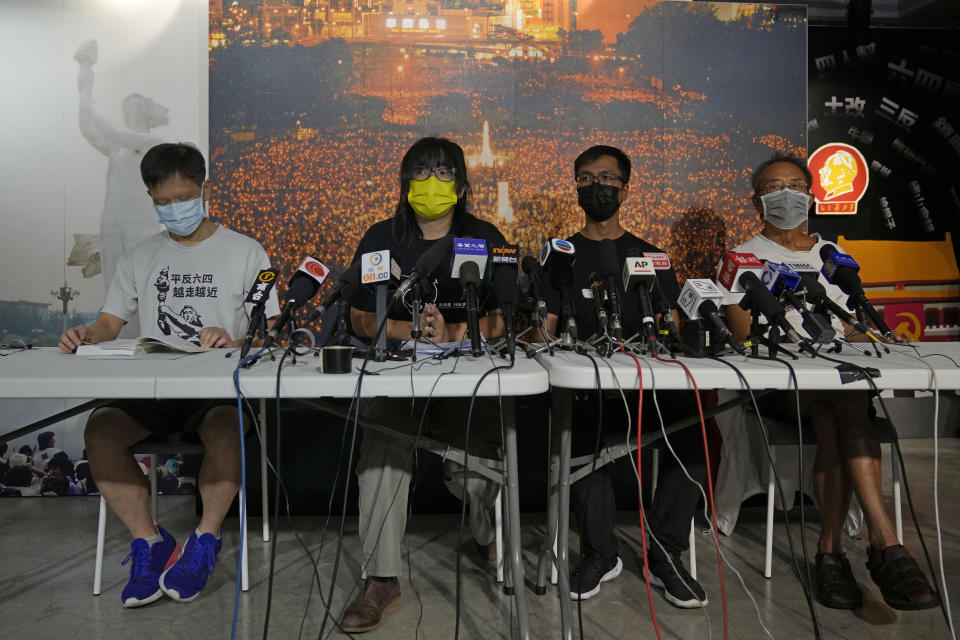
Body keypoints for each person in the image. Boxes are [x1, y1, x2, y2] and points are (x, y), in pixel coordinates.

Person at [59, 142, 279, 608]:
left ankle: (203, 541)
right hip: (154, 389)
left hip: (219, 391)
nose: (175, 209)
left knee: (223, 428)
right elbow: (109, 323)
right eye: (163, 202)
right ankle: (150, 541)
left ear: (203, 189)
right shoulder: (140, 256)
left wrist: (235, 340)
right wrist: (87, 334)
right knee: (100, 430)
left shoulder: (247, 251)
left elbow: (272, 333)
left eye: (183, 198)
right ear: (150, 197)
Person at [721, 152, 939, 611]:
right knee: (840, 406)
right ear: (757, 201)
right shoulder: (744, 257)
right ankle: (886, 543)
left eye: (796, 186)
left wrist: (877, 333)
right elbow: (743, 335)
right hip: (779, 385)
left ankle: (831, 550)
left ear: (812, 196)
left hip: (833, 386)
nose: (787, 195)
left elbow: (851, 323)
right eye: (774, 187)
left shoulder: (830, 255)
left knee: (833, 411)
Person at [341, 137, 507, 633]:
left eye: (442, 172)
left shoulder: (484, 235)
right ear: (404, 181)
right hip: (396, 381)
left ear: (460, 186)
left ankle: (488, 537)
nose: (431, 182)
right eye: (420, 172)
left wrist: (456, 331)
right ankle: (382, 578)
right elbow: (357, 317)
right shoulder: (381, 236)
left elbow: (503, 317)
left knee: (481, 460)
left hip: (463, 382)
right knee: (380, 452)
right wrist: (410, 329)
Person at [544, 145, 708, 607]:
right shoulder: (560, 257)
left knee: (691, 433)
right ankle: (600, 554)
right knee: (578, 435)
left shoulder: (652, 256)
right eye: (585, 178)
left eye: (607, 178)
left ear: (625, 188)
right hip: (590, 390)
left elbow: (674, 326)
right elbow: (546, 333)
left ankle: (667, 555)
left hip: (650, 391)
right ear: (576, 186)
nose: (596, 186)